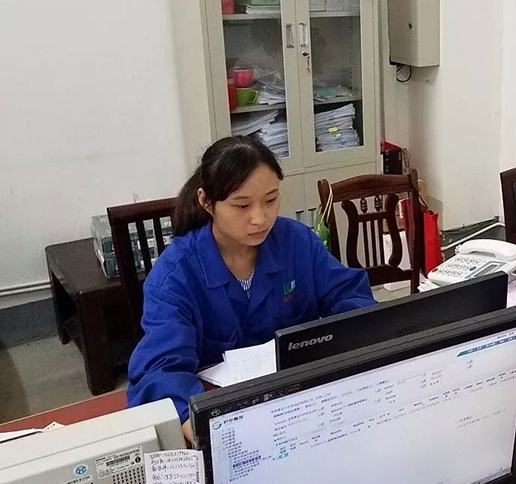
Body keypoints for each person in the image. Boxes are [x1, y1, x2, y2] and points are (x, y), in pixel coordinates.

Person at [127, 136, 374, 439]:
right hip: (226, 415)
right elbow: (161, 368)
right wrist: (196, 422)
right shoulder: (176, 275)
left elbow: (351, 298)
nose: (260, 218)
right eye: (242, 205)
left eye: (271, 200)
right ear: (206, 201)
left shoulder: (296, 242)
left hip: (300, 406)